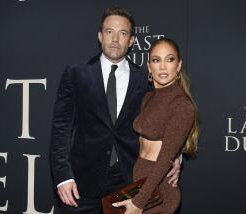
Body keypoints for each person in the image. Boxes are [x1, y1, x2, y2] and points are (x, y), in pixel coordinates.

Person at [50, 7, 181, 214]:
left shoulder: (145, 80)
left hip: (128, 182)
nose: (115, 39)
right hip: (80, 183)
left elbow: (165, 121)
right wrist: (63, 176)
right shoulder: (76, 74)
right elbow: (61, 130)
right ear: (100, 36)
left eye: (123, 33)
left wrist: (176, 154)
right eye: (109, 32)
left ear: (131, 41)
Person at [112, 38, 200, 213]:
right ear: (149, 66)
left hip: (158, 192)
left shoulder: (183, 105)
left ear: (179, 65)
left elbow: (165, 156)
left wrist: (139, 202)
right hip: (141, 185)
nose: (162, 66)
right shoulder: (148, 98)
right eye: (156, 60)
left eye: (170, 59)